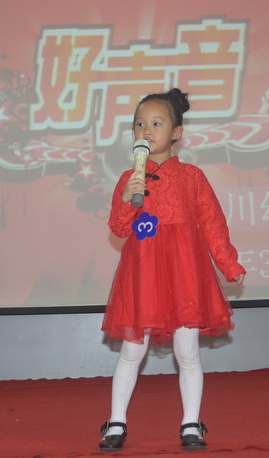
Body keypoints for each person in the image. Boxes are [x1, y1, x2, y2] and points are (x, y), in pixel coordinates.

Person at [99, 88, 246, 452]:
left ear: (176, 133)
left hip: (185, 274)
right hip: (143, 274)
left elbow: (213, 223)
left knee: (187, 351)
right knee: (132, 350)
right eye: (139, 124)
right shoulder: (129, 177)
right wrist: (126, 198)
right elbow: (118, 228)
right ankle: (116, 422)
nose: (146, 131)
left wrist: (229, 263)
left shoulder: (192, 176)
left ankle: (191, 423)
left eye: (156, 123)